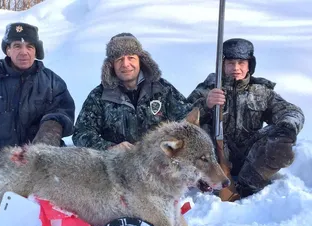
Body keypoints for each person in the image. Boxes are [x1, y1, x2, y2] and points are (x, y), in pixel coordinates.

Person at [187, 38, 304, 198]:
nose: (236, 68)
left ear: (250, 65)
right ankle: (212, 182)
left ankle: (248, 185)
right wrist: (206, 104)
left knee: (281, 135)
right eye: (230, 62)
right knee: (201, 133)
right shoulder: (206, 89)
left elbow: (292, 111)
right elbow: (181, 120)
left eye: (241, 62)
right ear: (222, 64)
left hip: (252, 157)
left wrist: (287, 126)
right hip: (214, 156)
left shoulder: (262, 92)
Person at [0, 22, 75, 168]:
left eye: (29, 47)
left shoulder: (52, 83)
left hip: (43, 159)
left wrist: (49, 132)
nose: (24, 52)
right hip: (1, 163)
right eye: (17, 46)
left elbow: (63, 115)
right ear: (8, 50)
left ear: (36, 51)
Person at [72, 33, 191, 150]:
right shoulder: (99, 96)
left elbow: (187, 121)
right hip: (117, 165)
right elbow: (81, 133)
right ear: (111, 65)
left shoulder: (162, 89)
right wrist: (109, 147)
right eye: (119, 59)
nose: (125, 64)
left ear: (141, 60)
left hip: (158, 164)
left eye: (131, 58)